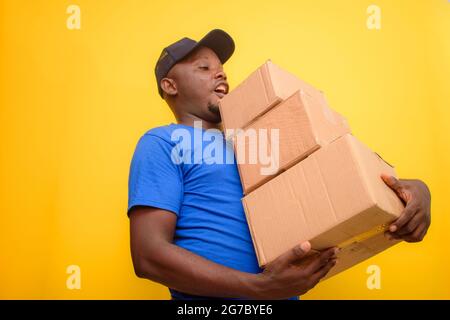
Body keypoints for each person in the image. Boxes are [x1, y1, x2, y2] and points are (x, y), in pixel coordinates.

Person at [127, 29, 431, 300]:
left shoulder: (256, 138)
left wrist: (414, 192)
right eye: (204, 68)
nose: (220, 75)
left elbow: (339, 172)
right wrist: (258, 288)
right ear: (170, 86)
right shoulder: (163, 143)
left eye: (221, 70)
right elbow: (148, 255)